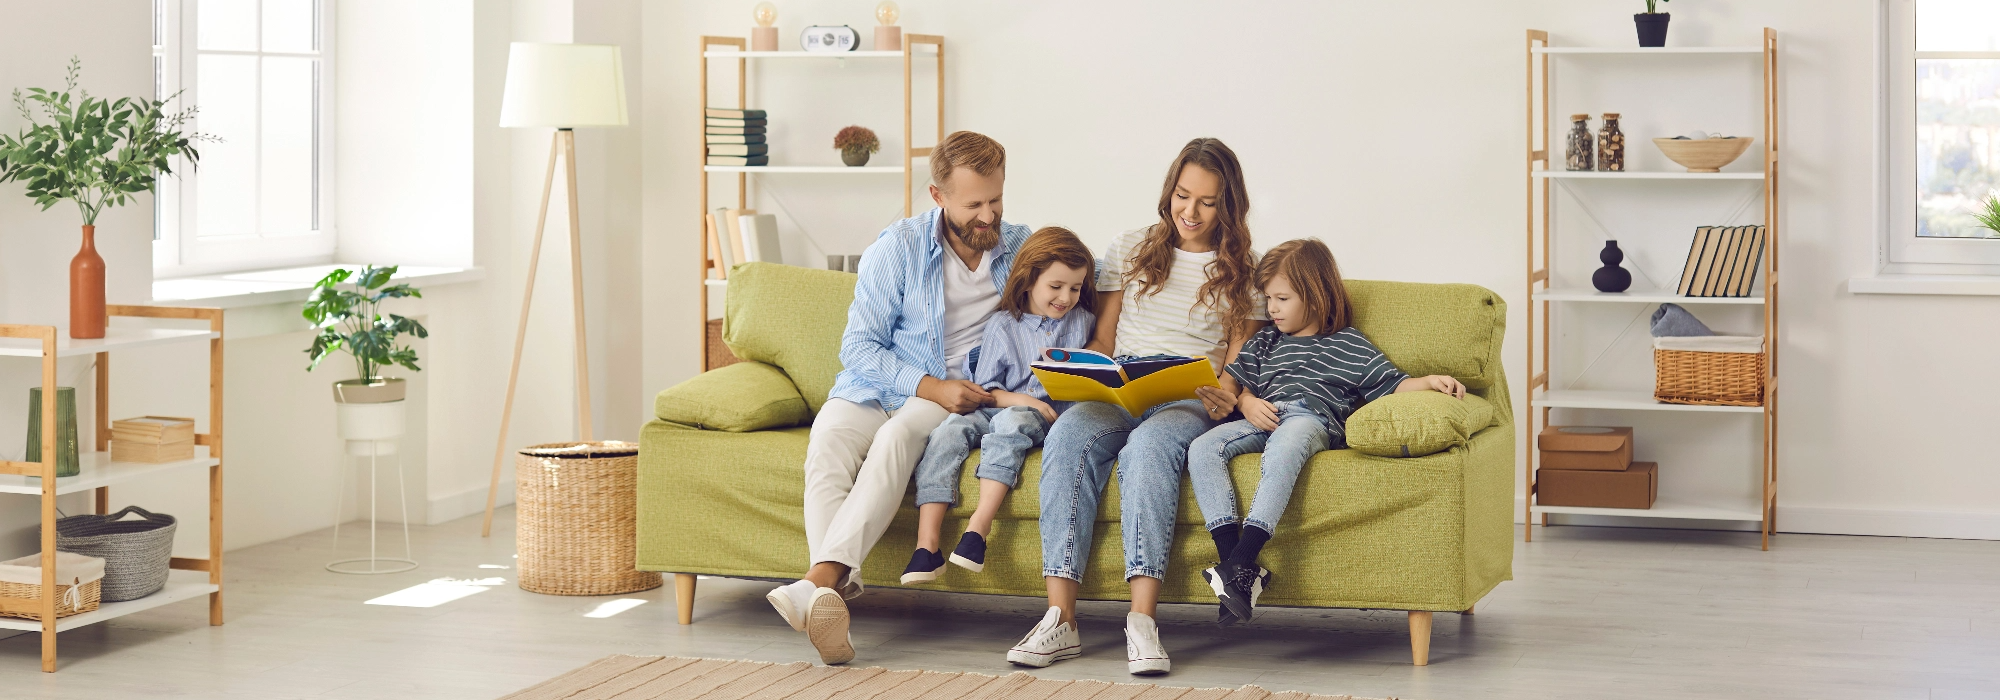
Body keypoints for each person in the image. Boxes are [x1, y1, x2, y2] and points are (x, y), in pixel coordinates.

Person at [767, 131, 1030, 666]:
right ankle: (827, 593)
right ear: (938, 196)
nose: (988, 216)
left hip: (950, 395)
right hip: (887, 384)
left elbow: (1084, 277)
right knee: (828, 440)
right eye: (973, 205)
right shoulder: (899, 247)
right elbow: (859, 347)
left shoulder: (1021, 248)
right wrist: (929, 385)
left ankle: (819, 584)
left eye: (996, 200)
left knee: (898, 437)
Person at [1006, 138, 1267, 675]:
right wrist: (1079, 368)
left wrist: (1227, 392)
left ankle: (1142, 621)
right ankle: (1060, 619)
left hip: (1188, 396)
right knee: (1067, 437)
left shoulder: (1245, 268)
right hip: (1121, 387)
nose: (1190, 212)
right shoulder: (1130, 247)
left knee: (1147, 449)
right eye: (1182, 195)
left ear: (1228, 205)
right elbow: (1104, 338)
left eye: (1207, 202)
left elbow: (1238, 358)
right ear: (1169, 190)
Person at [1187, 238, 1466, 626]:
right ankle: (1235, 568)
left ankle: (1242, 559)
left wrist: (1430, 381)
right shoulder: (1265, 342)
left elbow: (1393, 384)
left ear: (1316, 297)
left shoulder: (1350, 344)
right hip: (1263, 416)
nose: (1271, 308)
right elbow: (1241, 388)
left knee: (1285, 447)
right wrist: (1248, 403)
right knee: (1202, 447)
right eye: (1268, 298)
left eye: (1282, 299)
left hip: (1311, 419)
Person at [902, 227, 1099, 585]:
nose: (1066, 297)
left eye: (1075, 288)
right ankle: (926, 547)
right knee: (948, 431)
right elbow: (987, 390)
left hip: (1038, 417)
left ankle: (978, 529)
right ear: (1029, 279)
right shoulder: (1002, 325)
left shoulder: (1083, 323)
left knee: (1013, 423)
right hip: (997, 405)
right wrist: (1020, 398)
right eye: (1056, 286)